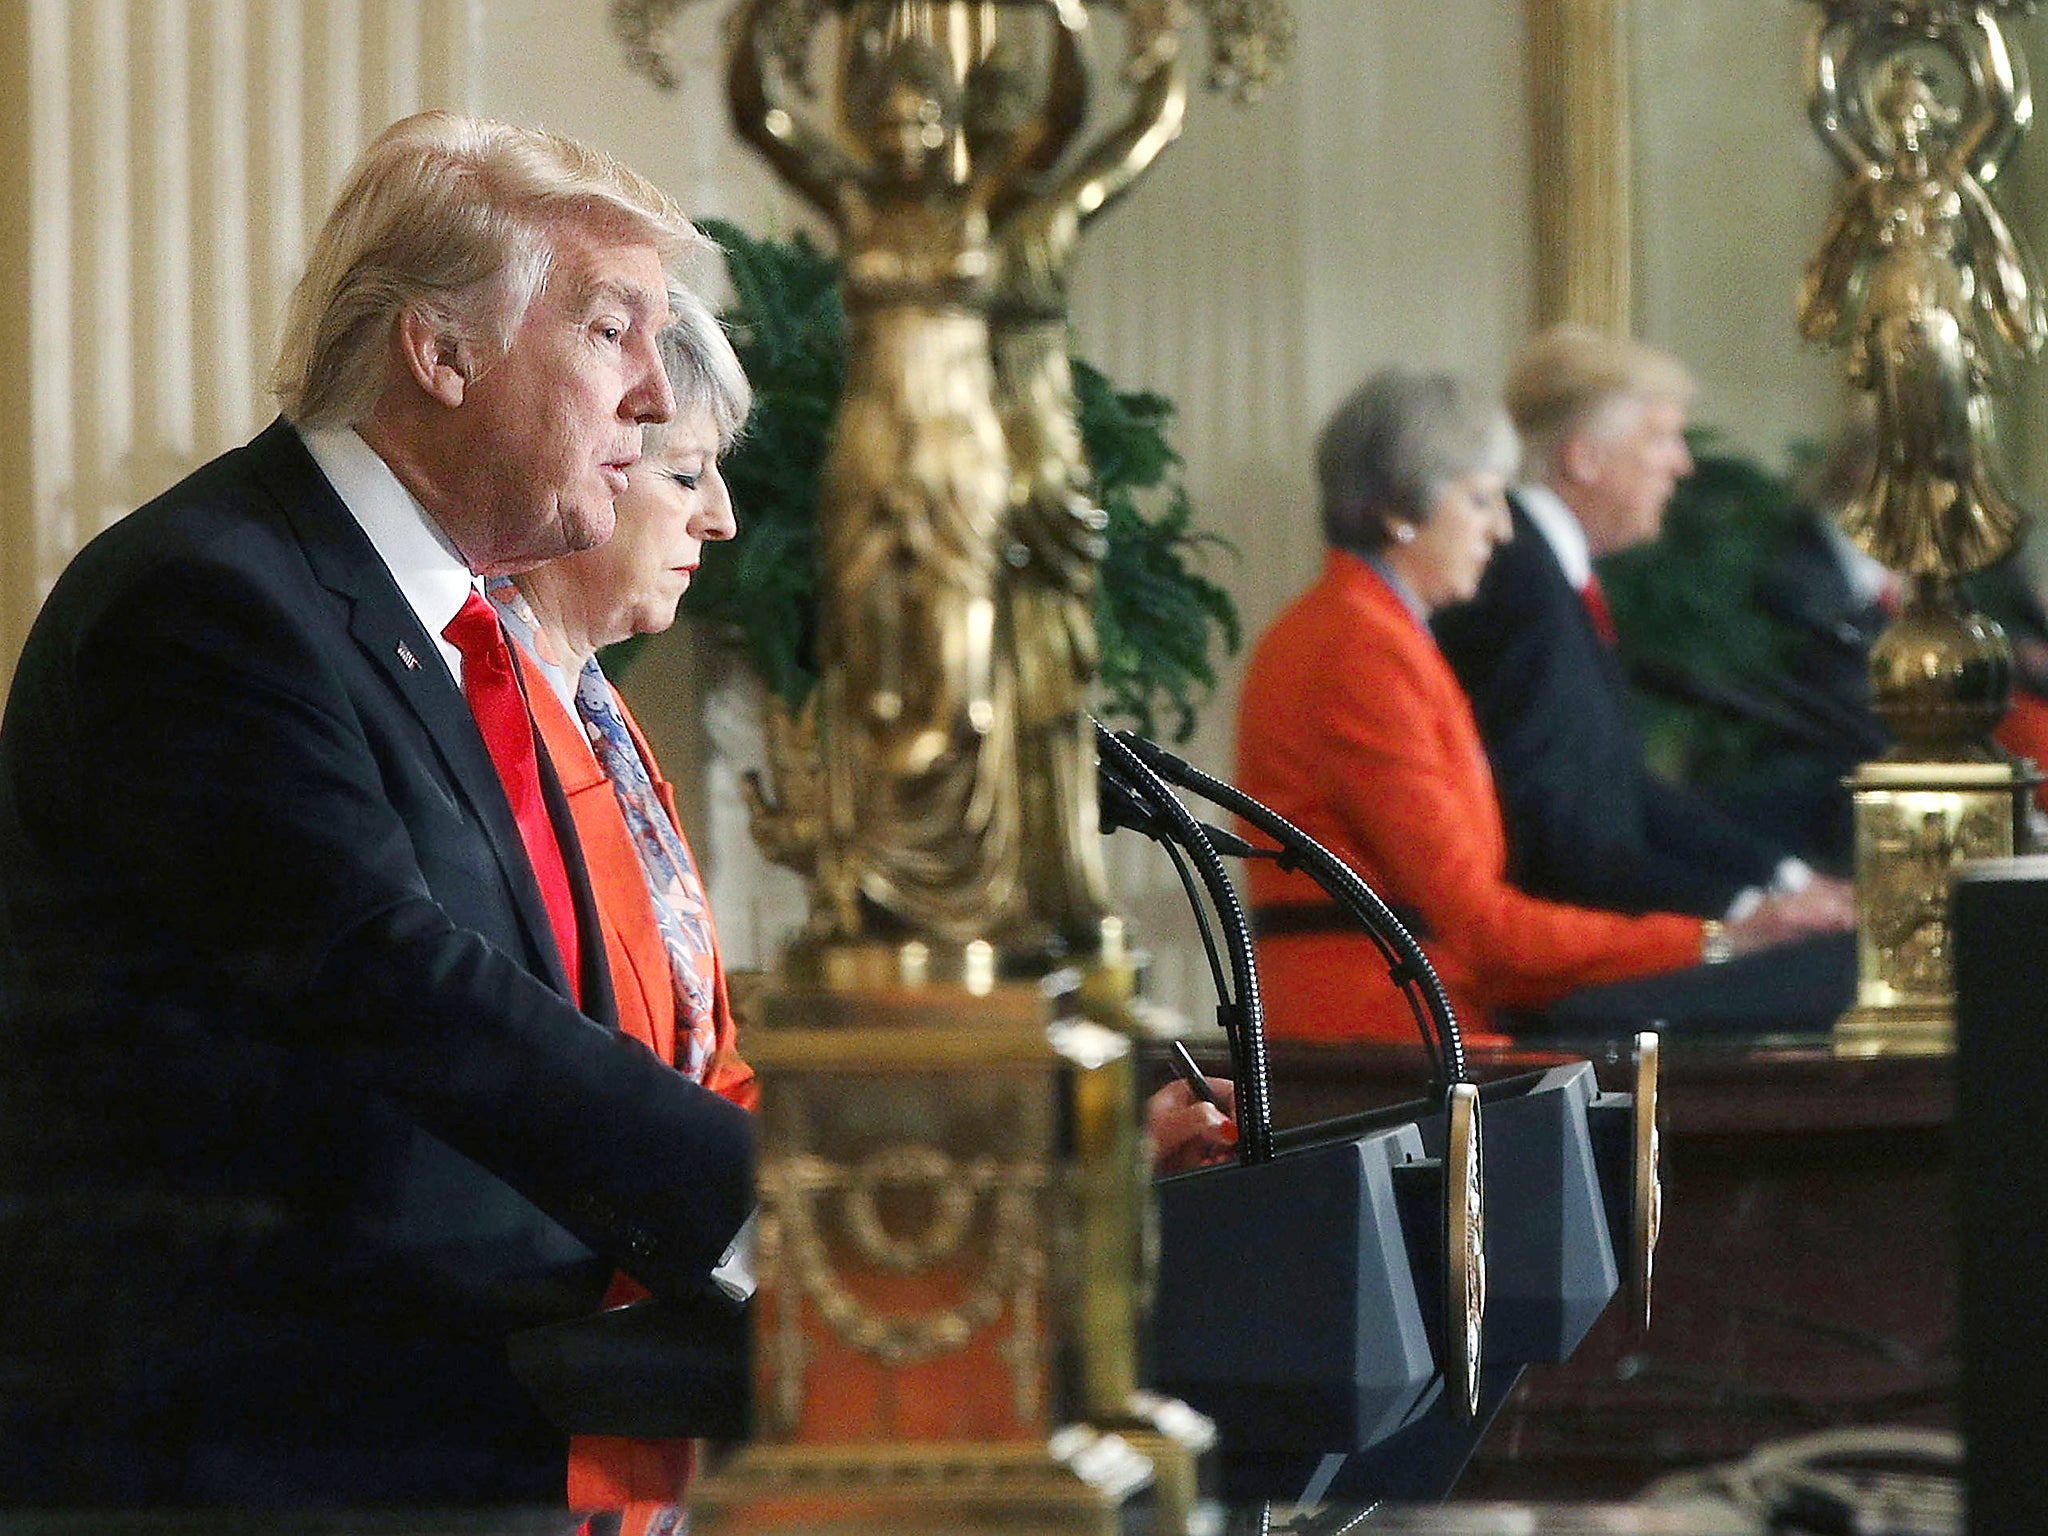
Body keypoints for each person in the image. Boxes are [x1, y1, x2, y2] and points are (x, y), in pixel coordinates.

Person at [0, 113, 753, 1505]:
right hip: (254, 1462)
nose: (654, 396)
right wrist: (780, 1210)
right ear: (440, 351)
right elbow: (392, 979)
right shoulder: (209, 600)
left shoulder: (447, 626)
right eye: (610, 332)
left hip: (443, 1431)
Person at [1237, 370, 1850, 1044]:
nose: (1502, 530)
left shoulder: (1371, 630)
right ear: (1399, 511)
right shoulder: (1359, 648)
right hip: (1378, 1037)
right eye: (1479, 501)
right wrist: (1717, 940)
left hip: (1416, 1017)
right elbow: (1476, 924)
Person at [480, 291, 757, 1515]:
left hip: (645, 1382)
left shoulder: (598, 707)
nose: (722, 516)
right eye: (687, 473)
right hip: (522, 1395)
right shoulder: (485, 706)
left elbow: (705, 1058)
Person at [1432, 325, 1856, 924]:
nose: (1682, 465)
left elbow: (1623, 791)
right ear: (1584, 457)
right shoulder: (1518, 582)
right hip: (1559, 949)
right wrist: (1748, 914)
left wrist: (1787, 882)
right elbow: (1557, 834)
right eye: (1660, 437)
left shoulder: (1546, 571)